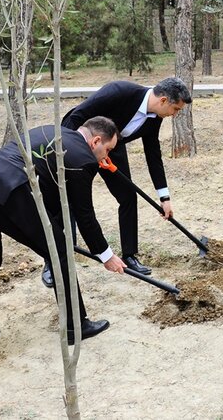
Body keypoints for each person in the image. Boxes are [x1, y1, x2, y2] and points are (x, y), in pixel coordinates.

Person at [0, 118, 125, 359]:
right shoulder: (83, 158)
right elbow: (85, 215)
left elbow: (49, 191)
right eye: (107, 149)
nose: (104, 157)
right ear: (96, 140)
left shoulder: (51, 130)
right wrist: (106, 256)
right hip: (9, 189)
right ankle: (76, 327)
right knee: (60, 254)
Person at [37, 77, 191, 284]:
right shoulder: (119, 91)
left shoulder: (155, 117)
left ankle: (129, 254)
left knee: (128, 197)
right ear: (163, 100)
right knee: (67, 200)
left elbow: (153, 154)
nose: (175, 114)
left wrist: (164, 197)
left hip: (111, 150)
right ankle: (52, 262)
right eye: (176, 109)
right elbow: (75, 117)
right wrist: (70, 152)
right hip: (77, 144)